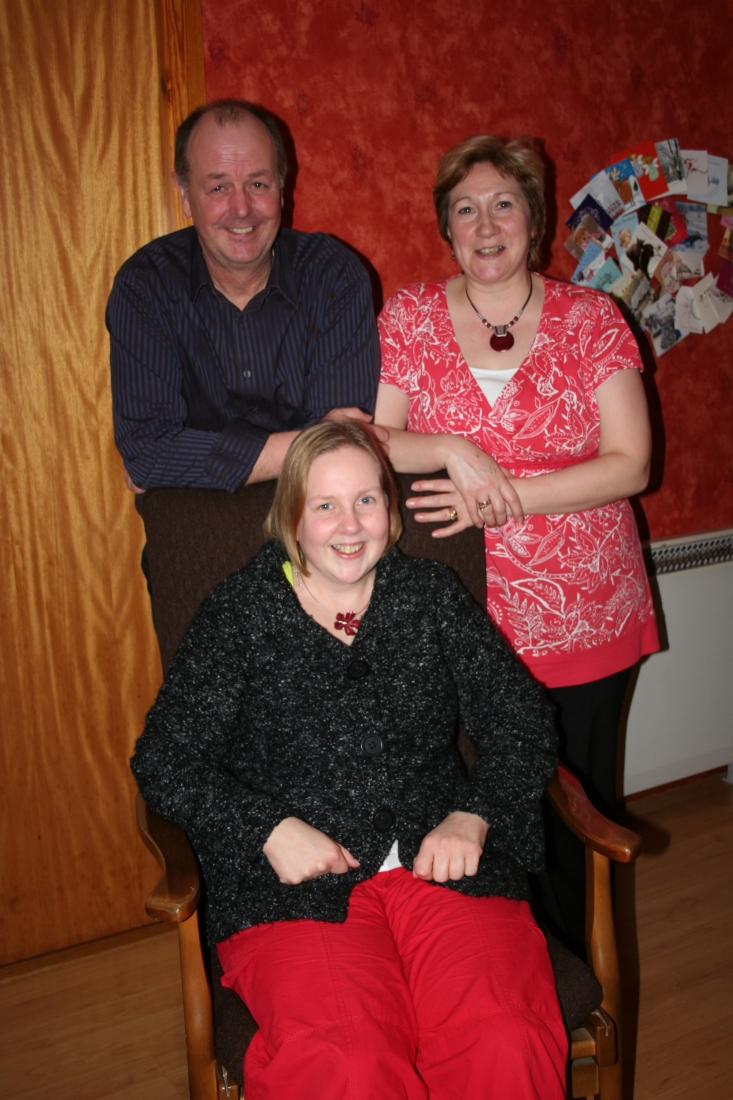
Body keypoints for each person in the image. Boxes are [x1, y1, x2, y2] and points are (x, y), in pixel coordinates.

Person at [131, 421, 567, 1099]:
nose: (350, 525)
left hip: (444, 866)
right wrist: (267, 828)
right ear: (290, 518)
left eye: (366, 500)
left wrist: (475, 814)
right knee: (348, 1064)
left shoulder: (430, 595)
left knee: (504, 1037)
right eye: (325, 505)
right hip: (296, 891)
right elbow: (164, 759)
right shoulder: (240, 615)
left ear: (390, 509)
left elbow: (522, 721)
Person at [375, 135, 660, 953]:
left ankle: (581, 980)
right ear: (446, 228)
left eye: (503, 204)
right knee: (471, 824)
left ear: (533, 221)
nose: (485, 224)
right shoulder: (409, 316)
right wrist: (451, 450)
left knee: (576, 820)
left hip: (584, 614)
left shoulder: (592, 319)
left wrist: (499, 499)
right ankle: (496, 982)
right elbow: (374, 440)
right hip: (455, 618)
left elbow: (630, 464)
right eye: (464, 209)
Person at [106, 99, 380, 496]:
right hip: (197, 527)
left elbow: (344, 450)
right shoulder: (145, 286)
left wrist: (186, 459)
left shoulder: (333, 276)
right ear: (184, 194)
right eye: (218, 187)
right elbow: (147, 454)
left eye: (258, 184)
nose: (241, 208)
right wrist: (312, 441)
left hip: (317, 524)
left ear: (281, 188)